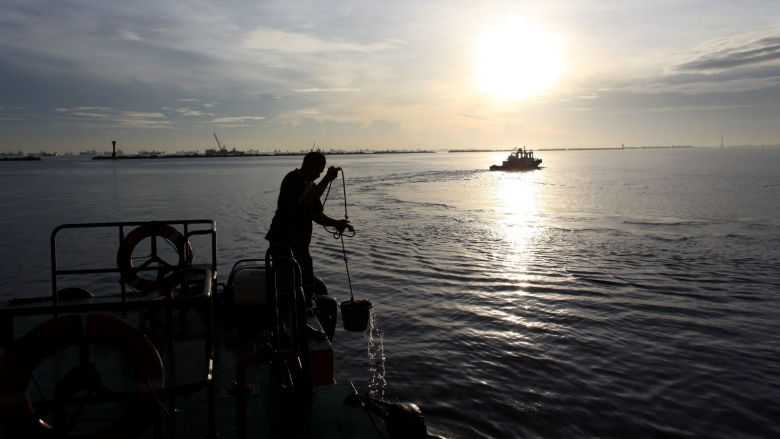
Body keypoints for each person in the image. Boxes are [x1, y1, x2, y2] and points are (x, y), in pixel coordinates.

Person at [265, 151, 353, 309]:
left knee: (306, 282)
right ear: (310, 166)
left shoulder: (310, 185)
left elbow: (316, 215)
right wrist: (327, 178)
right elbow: (308, 201)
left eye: (321, 173)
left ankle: (303, 316)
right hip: (283, 242)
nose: (319, 175)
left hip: (299, 245)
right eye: (319, 171)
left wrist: (336, 223)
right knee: (288, 284)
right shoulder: (293, 179)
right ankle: (286, 322)